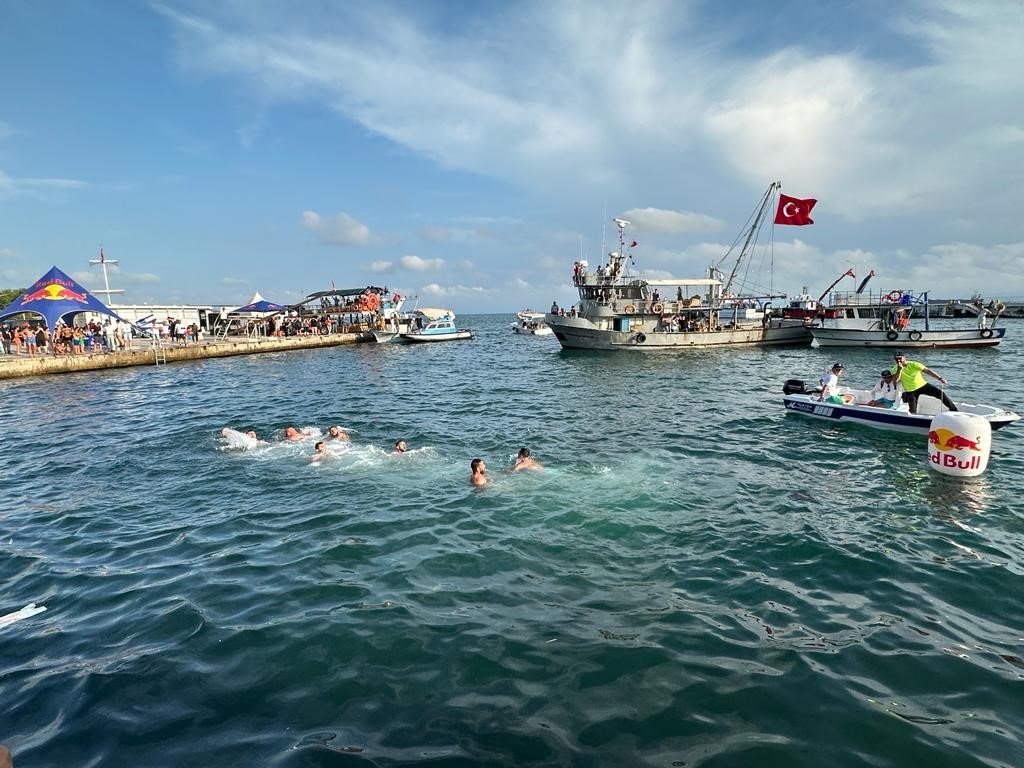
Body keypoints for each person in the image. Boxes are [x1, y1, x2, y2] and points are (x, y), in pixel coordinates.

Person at [891, 351, 957, 414]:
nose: (899, 360)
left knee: (941, 394)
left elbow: (928, 371)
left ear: (904, 357)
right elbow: (896, 381)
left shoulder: (914, 364)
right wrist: (899, 370)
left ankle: (954, 410)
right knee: (912, 411)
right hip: (910, 391)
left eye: (900, 358)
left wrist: (940, 378)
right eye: (897, 359)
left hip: (923, 385)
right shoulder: (894, 369)